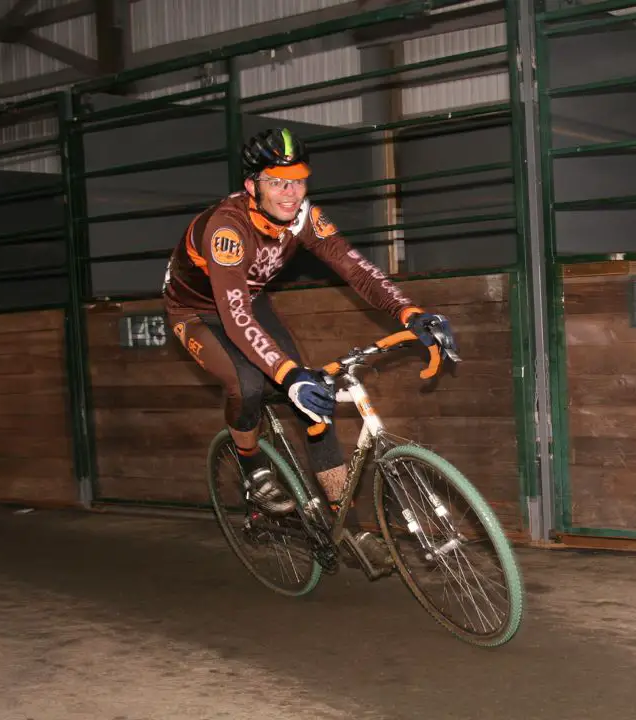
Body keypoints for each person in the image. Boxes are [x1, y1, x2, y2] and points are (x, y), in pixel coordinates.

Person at [161, 127, 457, 570]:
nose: (290, 192)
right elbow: (233, 315)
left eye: (298, 181)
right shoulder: (227, 228)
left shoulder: (303, 217)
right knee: (249, 386)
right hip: (198, 311)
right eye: (277, 182)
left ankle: (348, 526)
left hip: (249, 298)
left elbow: (355, 270)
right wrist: (287, 374)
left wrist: (409, 313)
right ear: (251, 186)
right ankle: (252, 465)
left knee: (313, 403)